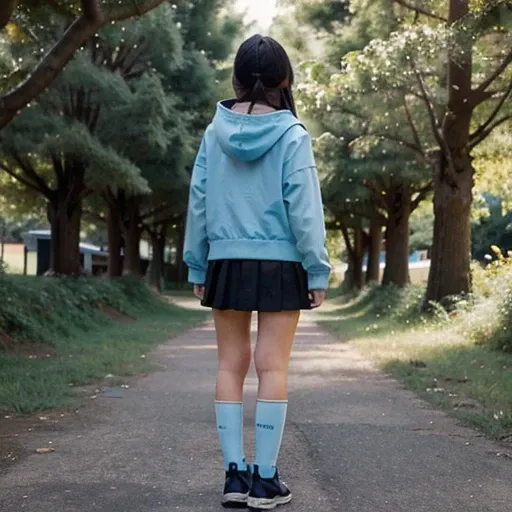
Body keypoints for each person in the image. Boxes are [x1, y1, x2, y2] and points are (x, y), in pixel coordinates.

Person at [183, 34, 331, 511]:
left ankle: (234, 476)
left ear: (237, 79)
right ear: (284, 80)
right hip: (282, 263)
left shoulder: (213, 132)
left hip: (225, 258)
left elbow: (199, 201)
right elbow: (304, 209)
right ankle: (265, 482)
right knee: (273, 367)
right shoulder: (293, 134)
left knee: (230, 365)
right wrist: (317, 269)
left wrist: (197, 261)